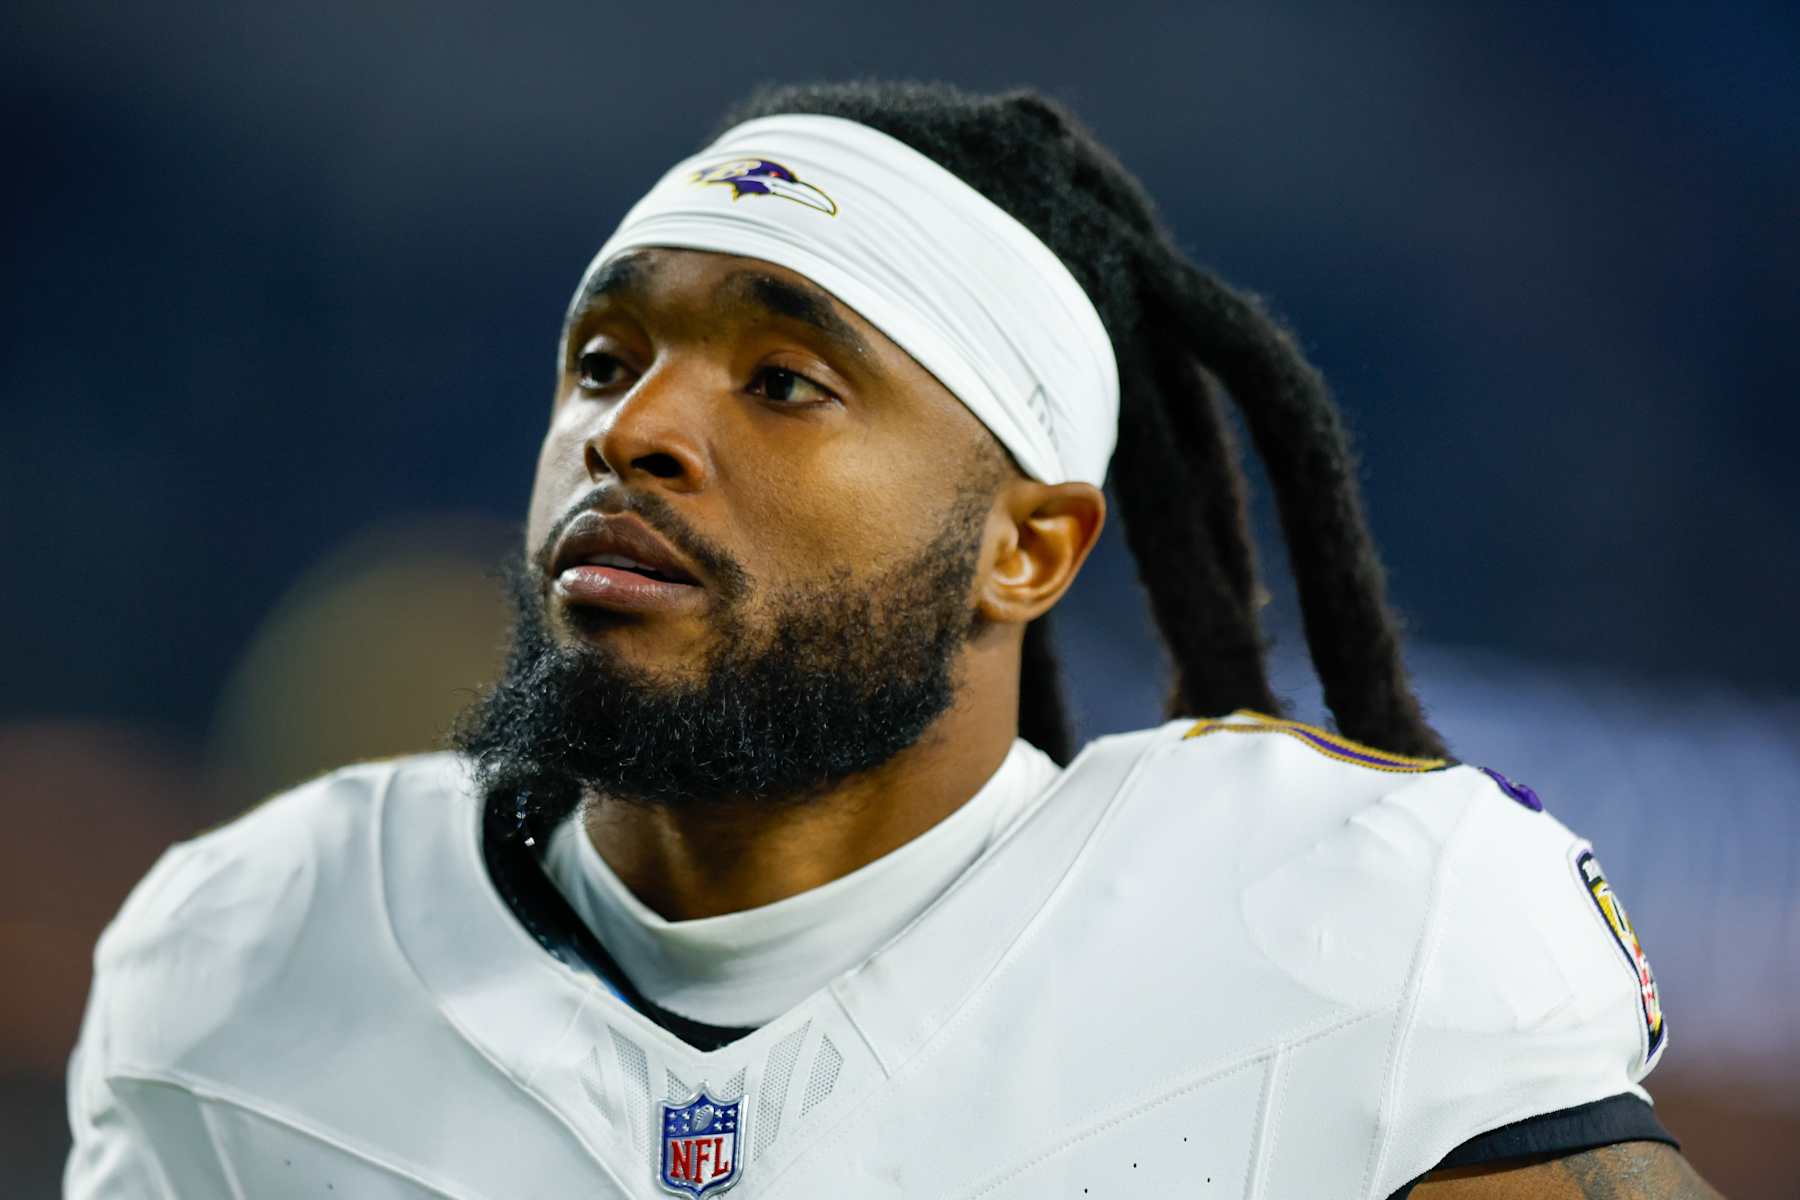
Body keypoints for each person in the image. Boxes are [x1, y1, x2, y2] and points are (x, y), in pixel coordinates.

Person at [65, 81, 1716, 1199]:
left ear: (1027, 547)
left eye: (785, 382)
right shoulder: (244, 954)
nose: (635, 429)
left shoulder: (1343, 918)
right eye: (602, 358)